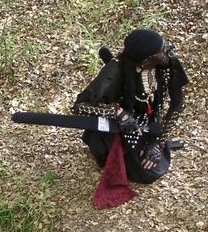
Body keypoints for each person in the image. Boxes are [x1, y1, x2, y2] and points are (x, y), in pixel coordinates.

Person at [72, 29, 189, 185]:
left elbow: (177, 104)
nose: (167, 50)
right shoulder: (115, 70)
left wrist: (158, 142)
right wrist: (117, 113)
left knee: (157, 165)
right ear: (147, 61)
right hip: (120, 125)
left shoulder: (168, 62)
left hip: (148, 122)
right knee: (149, 173)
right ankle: (108, 152)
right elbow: (79, 107)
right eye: (162, 50)